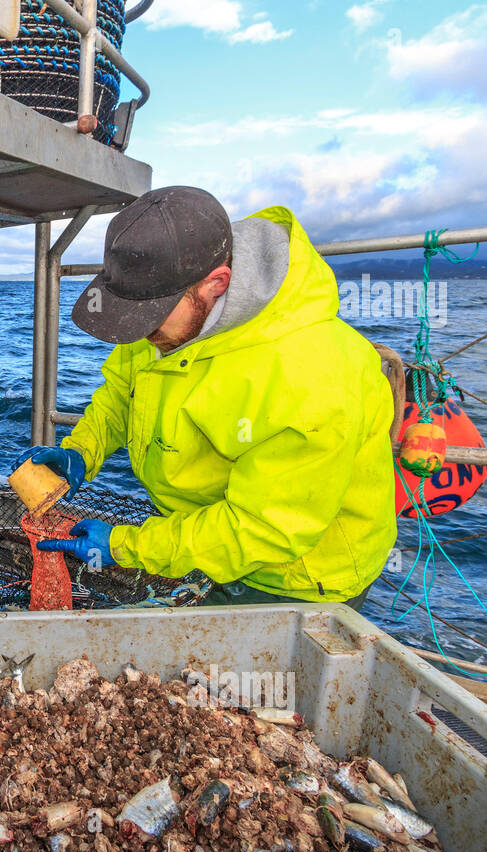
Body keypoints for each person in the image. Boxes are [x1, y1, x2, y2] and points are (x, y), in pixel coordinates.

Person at [28, 186, 397, 610]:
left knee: (248, 678)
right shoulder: (164, 313)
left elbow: (261, 528)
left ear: (215, 284)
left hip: (293, 577)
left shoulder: (312, 376)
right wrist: (81, 451)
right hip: (197, 537)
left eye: (149, 316)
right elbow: (122, 392)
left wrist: (126, 545)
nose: (141, 331)